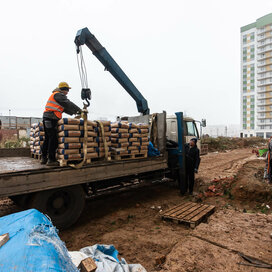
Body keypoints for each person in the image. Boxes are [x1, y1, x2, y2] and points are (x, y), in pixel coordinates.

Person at [41, 82, 81, 166]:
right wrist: (79, 110)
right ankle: (51, 160)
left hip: (48, 118)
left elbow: (65, 108)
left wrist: (76, 113)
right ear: (64, 89)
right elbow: (68, 103)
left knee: (48, 138)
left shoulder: (58, 98)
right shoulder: (58, 95)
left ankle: (43, 158)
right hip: (50, 118)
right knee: (53, 138)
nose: (68, 92)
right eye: (67, 90)